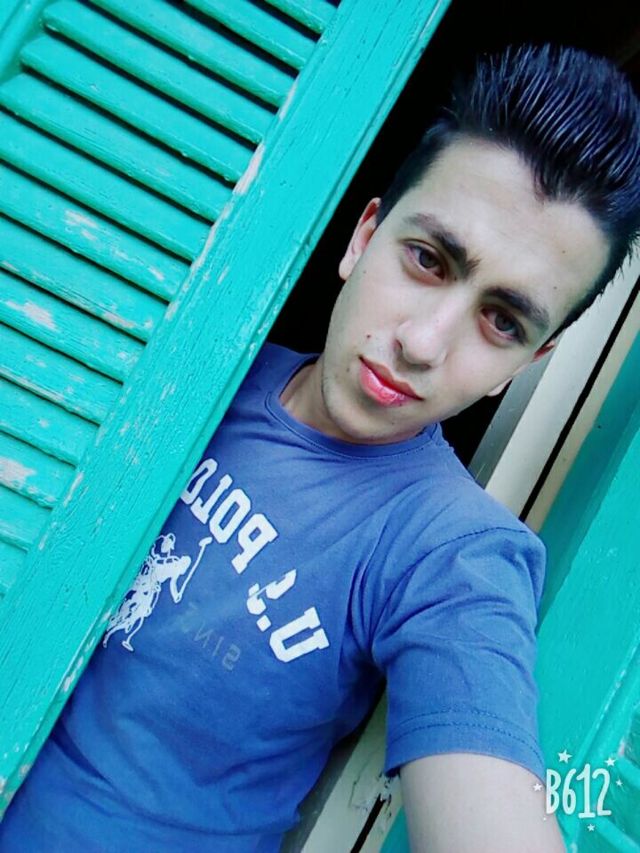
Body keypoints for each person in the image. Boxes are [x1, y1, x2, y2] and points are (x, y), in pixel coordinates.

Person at [1, 43, 639, 853]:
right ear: (363, 236)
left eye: (501, 321)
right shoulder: (205, 369)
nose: (422, 343)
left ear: (524, 366)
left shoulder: (452, 552)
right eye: (427, 259)